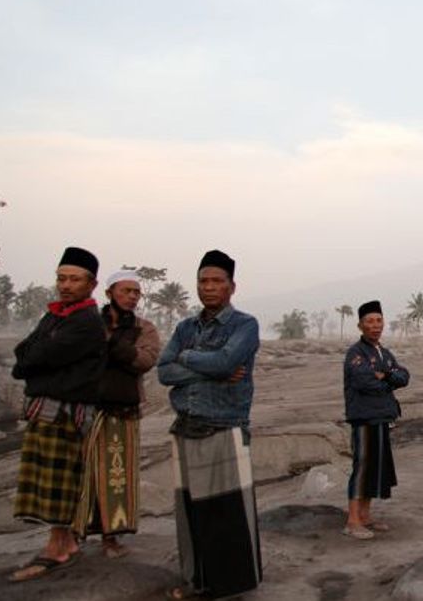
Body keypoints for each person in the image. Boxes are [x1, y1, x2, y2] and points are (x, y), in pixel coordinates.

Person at [157, 250, 261, 599]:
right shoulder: (186, 327)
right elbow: (163, 370)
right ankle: (198, 580)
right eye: (204, 281)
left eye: (217, 281)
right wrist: (205, 364)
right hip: (186, 425)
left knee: (226, 512)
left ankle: (229, 586)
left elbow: (228, 360)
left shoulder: (244, 325)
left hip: (223, 425)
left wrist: (186, 359)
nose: (209, 287)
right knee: (192, 514)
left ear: (232, 287)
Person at [8, 247, 107, 583]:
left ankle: (58, 546)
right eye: (61, 278)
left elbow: (38, 357)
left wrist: (37, 368)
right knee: (48, 479)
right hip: (49, 409)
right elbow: (24, 355)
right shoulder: (55, 315)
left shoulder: (87, 322)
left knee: (59, 482)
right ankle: (64, 540)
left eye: (74, 279)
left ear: (91, 284)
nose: (66, 285)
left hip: (65, 415)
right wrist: (37, 366)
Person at [72, 269, 160, 558]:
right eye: (126, 291)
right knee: (82, 475)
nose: (133, 296)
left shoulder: (144, 328)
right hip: (87, 409)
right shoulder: (89, 324)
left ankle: (111, 538)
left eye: (136, 292)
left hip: (123, 411)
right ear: (109, 293)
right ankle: (75, 535)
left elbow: (145, 360)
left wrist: (111, 346)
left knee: (117, 476)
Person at [342, 300, 410, 539]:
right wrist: (386, 379)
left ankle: (365, 516)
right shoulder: (356, 353)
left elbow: (404, 376)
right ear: (360, 325)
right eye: (369, 321)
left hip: (382, 416)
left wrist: (386, 375)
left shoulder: (384, 352)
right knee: (362, 467)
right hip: (364, 418)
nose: (375, 325)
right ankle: (352, 521)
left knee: (375, 468)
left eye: (379, 320)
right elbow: (364, 382)